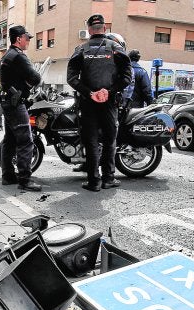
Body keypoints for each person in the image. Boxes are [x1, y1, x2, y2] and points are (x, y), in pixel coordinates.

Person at [67, 15, 132, 192]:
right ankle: (108, 179)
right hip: (110, 102)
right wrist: (108, 92)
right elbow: (127, 77)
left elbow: (71, 78)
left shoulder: (80, 49)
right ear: (105, 28)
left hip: (88, 103)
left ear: (89, 30)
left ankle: (94, 181)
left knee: (91, 141)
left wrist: (90, 93)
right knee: (110, 140)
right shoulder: (116, 48)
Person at [0, 25, 42, 192]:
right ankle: (25, 180)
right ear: (18, 39)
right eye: (27, 38)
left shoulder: (6, 56)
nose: (29, 41)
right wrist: (28, 83)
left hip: (7, 102)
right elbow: (36, 77)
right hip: (16, 104)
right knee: (25, 141)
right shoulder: (18, 57)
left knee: (10, 140)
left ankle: (8, 175)